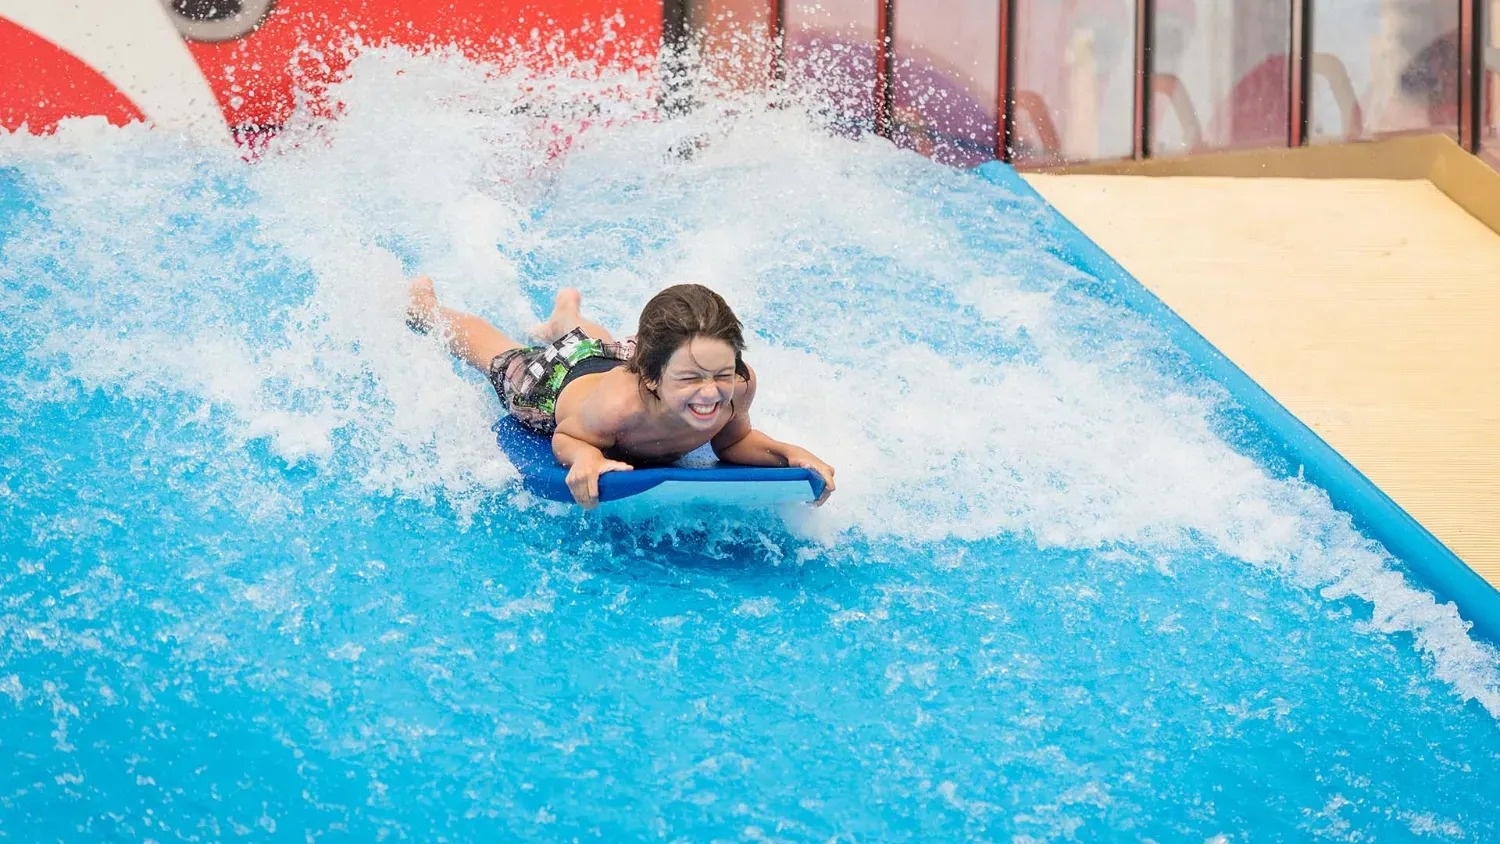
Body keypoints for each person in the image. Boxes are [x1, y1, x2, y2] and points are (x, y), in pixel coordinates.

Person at [406, 277, 836, 509]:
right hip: (556, 382)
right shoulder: (617, 409)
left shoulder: (736, 384)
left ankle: (566, 317)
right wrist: (587, 457)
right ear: (650, 376)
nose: (710, 393)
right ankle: (425, 309)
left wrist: (787, 453)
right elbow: (568, 437)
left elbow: (733, 442)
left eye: (721, 373)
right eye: (692, 380)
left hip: (618, 358)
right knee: (499, 356)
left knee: (594, 343)